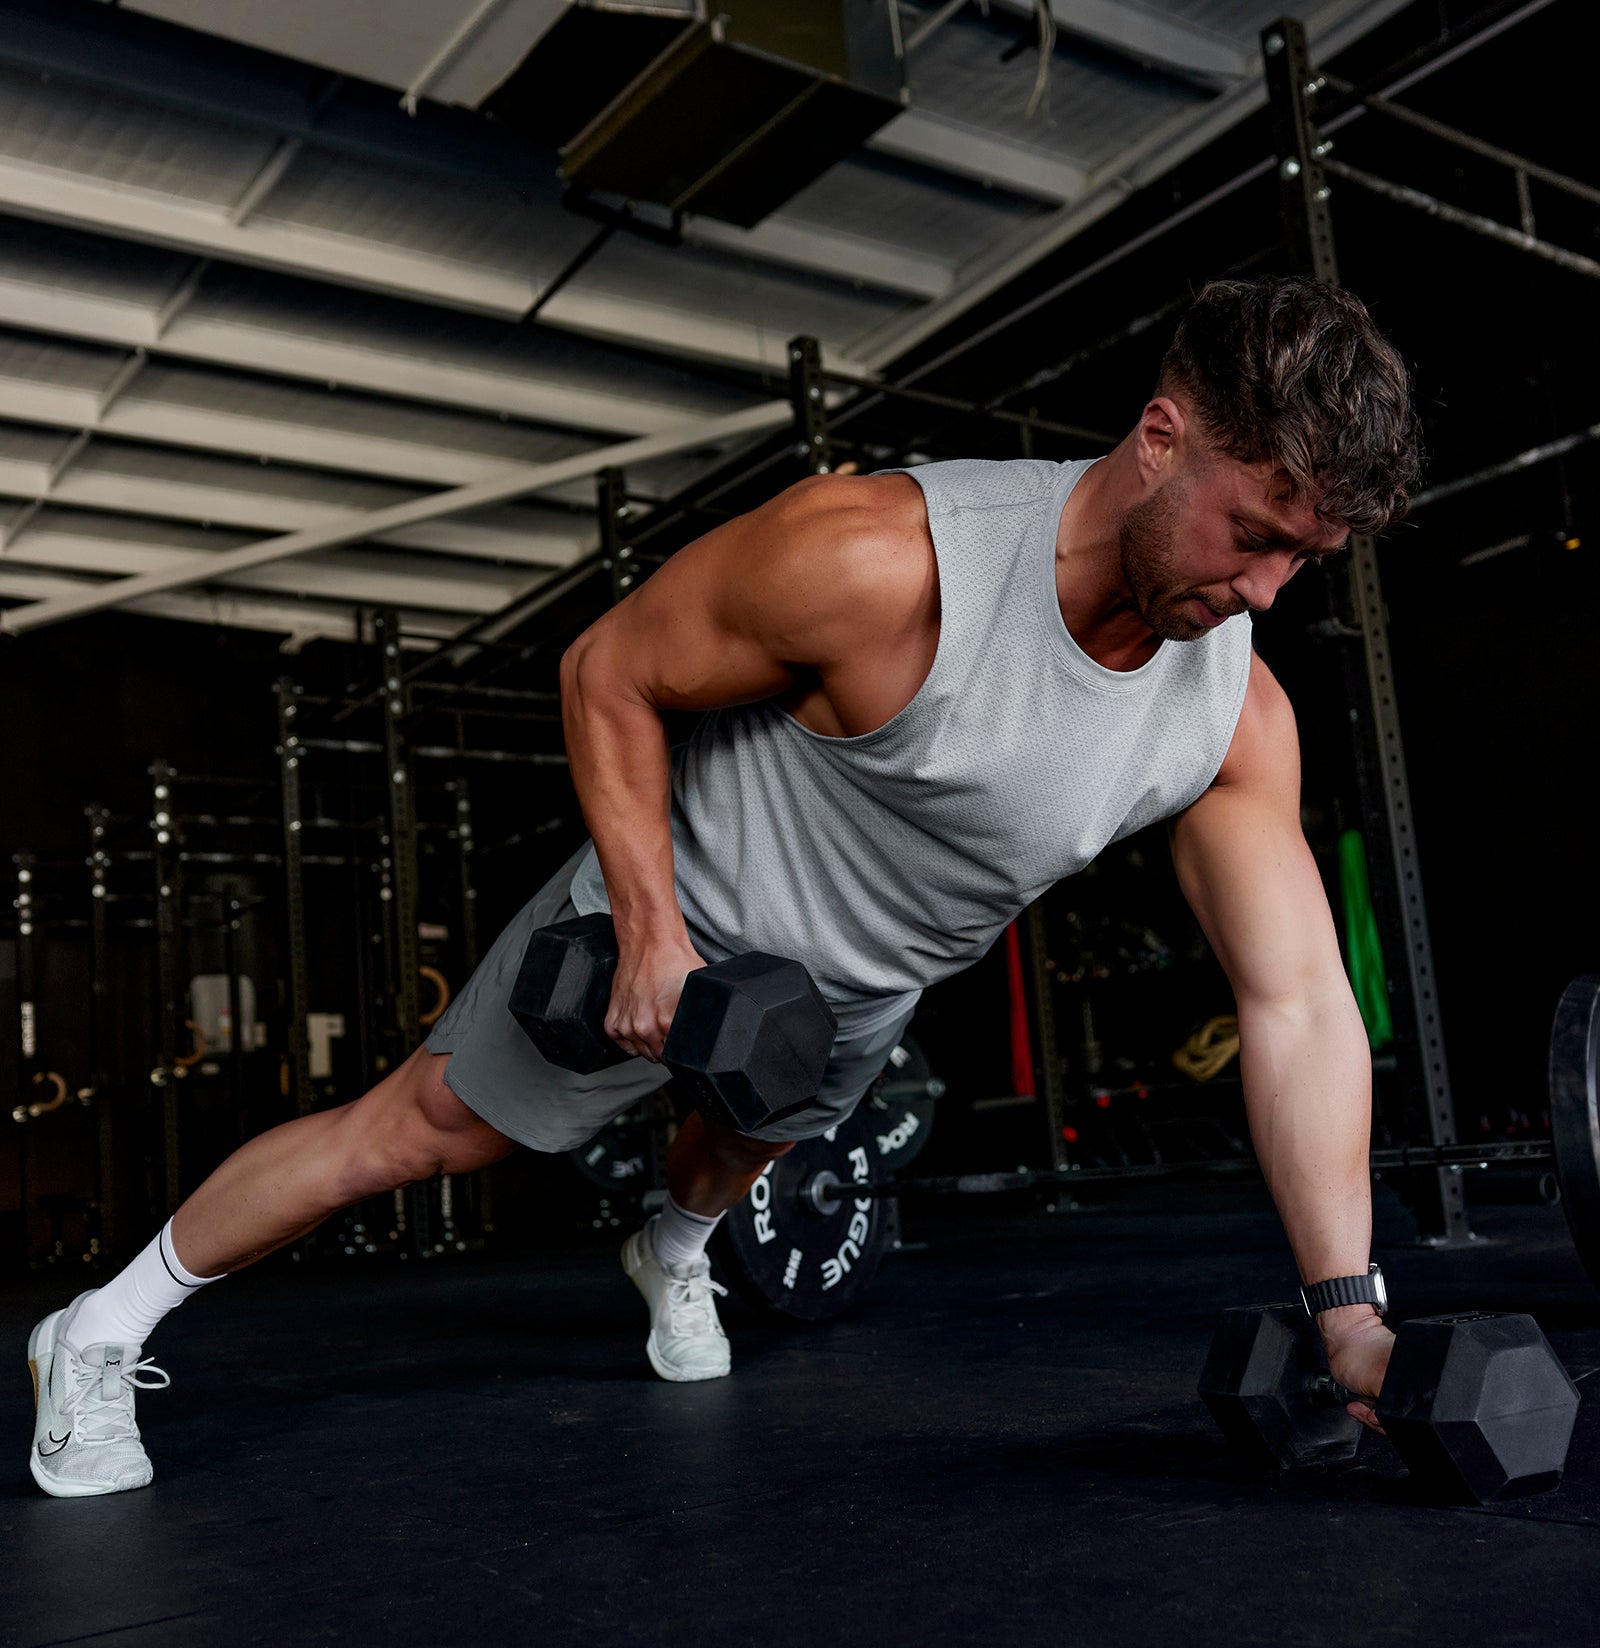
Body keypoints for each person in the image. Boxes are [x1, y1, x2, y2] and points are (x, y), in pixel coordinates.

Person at [27, 275, 1421, 1499]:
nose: (1266, 591)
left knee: (728, 1160)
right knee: (417, 1134)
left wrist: (1346, 1307)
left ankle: (672, 1248)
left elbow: (1298, 1002)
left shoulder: (1231, 718)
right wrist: (649, 932)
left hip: (852, 1008)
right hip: (669, 911)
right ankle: (98, 1328)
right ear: (1162, 439)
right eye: (1254, 533)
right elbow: (607, 670)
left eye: (1303, 559)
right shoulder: (879, 560)